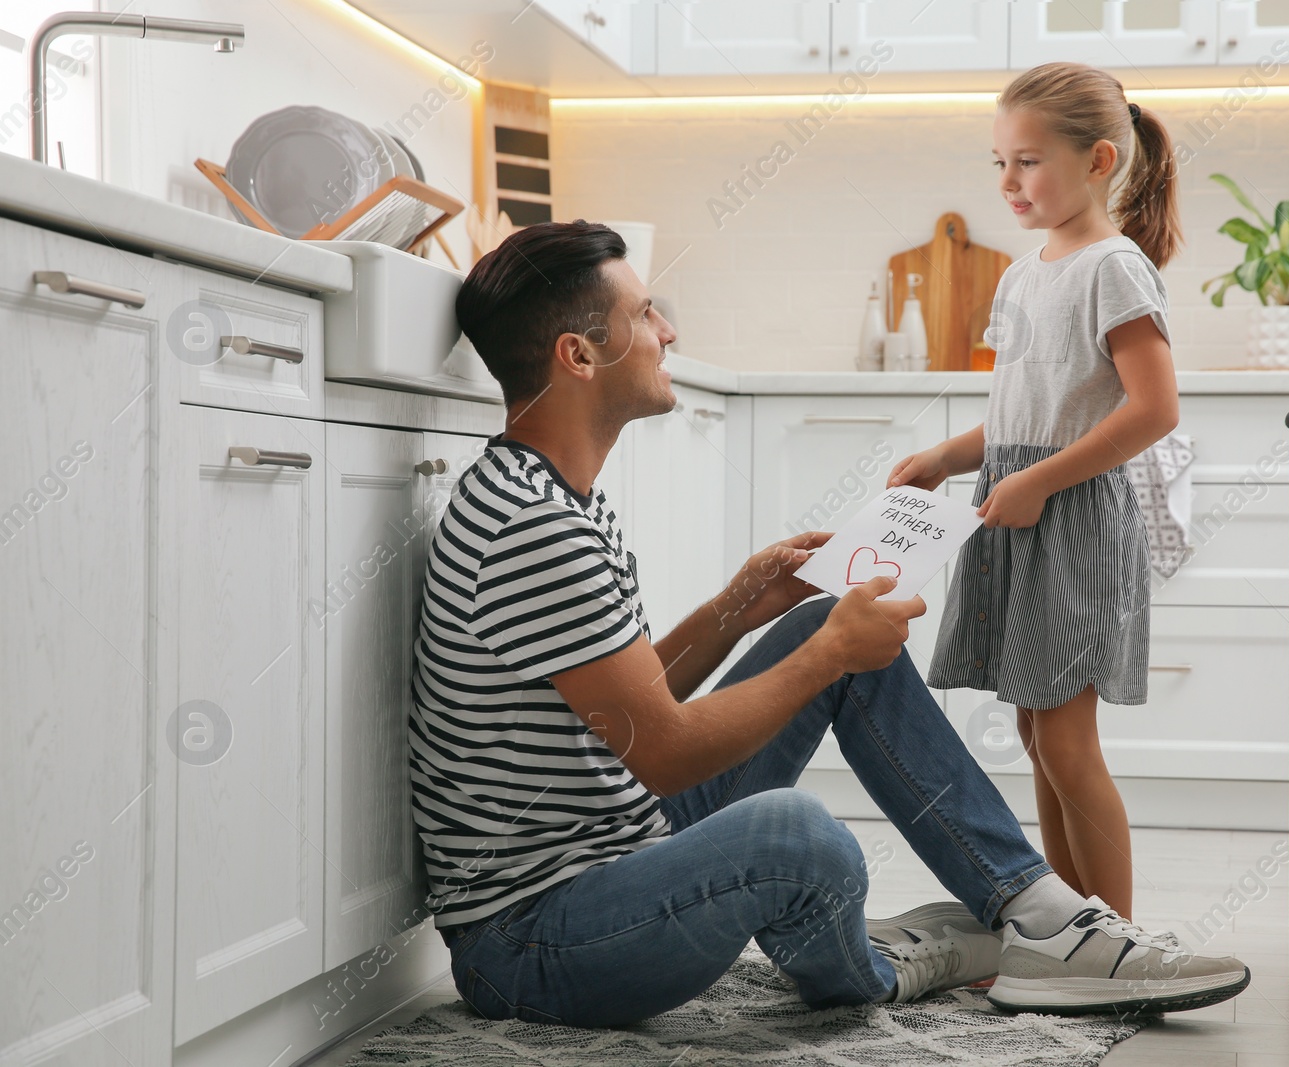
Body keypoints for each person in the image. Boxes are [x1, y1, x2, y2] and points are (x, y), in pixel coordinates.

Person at [407, 216, 1246, 1028]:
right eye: (643, 313)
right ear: (579, 355)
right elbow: (662, 752)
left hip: (614, 846)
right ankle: (885, 969)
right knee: (800, 832)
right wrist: (827, 654)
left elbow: (623, 710)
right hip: (533, 939)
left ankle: (1045, 916)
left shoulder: (550, 492)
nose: (668, 328)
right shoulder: (535, 526)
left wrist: (741, 608)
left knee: (824, 642)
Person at [890, 62, 1181, 926]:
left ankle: (1119, 946)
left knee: (1064, 739)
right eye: (999, 164)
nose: (1009, 183)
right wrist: (947, 456)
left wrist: (1037, 483)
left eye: (1027, 162)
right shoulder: (1024, 275)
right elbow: (1023, 411)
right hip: (1016, 507)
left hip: (1073, 520)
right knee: (1035, 738)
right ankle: (1072, 930)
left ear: (1097, 161)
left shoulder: (1114, 268)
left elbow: (1155, 409)